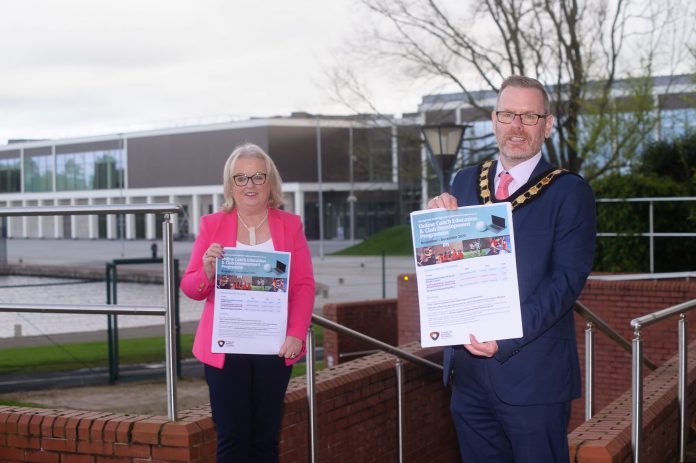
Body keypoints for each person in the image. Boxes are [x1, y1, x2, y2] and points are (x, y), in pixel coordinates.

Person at [428, 75, 596, 463]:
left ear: (547, 125)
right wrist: (436, 227)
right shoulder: (465, 180)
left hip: (534, 380)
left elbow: (564, 284)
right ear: (494, 120)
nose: (516, 126)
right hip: (468, 380)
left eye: (529, 116)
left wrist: (502, 336)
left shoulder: (570, 192)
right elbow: (450, 266)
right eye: (507, 115)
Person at [180, 143, 315, 463]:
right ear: (230, 185)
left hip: (275, 346)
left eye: (258, 176)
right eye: (241, 178)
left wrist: (296, 333)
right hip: (225, 348)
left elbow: (303, 284)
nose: (250, 185)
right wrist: (208, 270)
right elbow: (190, 286)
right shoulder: (212, 225)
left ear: (271, 181)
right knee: (232, 438)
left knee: (266, 439)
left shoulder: (290, 224)